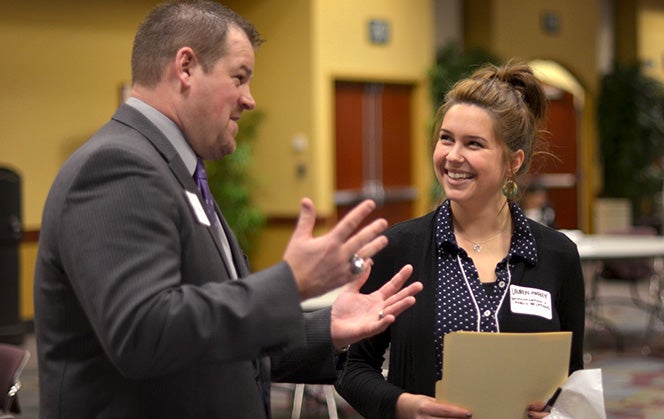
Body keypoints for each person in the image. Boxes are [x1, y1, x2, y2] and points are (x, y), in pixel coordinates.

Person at [33, 2, 423, 418]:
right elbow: (144, 335)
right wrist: (288, 286)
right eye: (239, 78)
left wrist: (322, 329)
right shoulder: (119, 167)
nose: (249, 100)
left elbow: (213, 341)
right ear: (185, 68)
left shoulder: (175, 170)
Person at [335, 61, 585, 419]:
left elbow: (571, 381)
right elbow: (352, 368)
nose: (453, 157)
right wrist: (404, 405)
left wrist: (556, 411)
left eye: (474, 144)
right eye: (446, 138)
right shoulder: (400, 249)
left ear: (512, 162)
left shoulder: (556, 255)